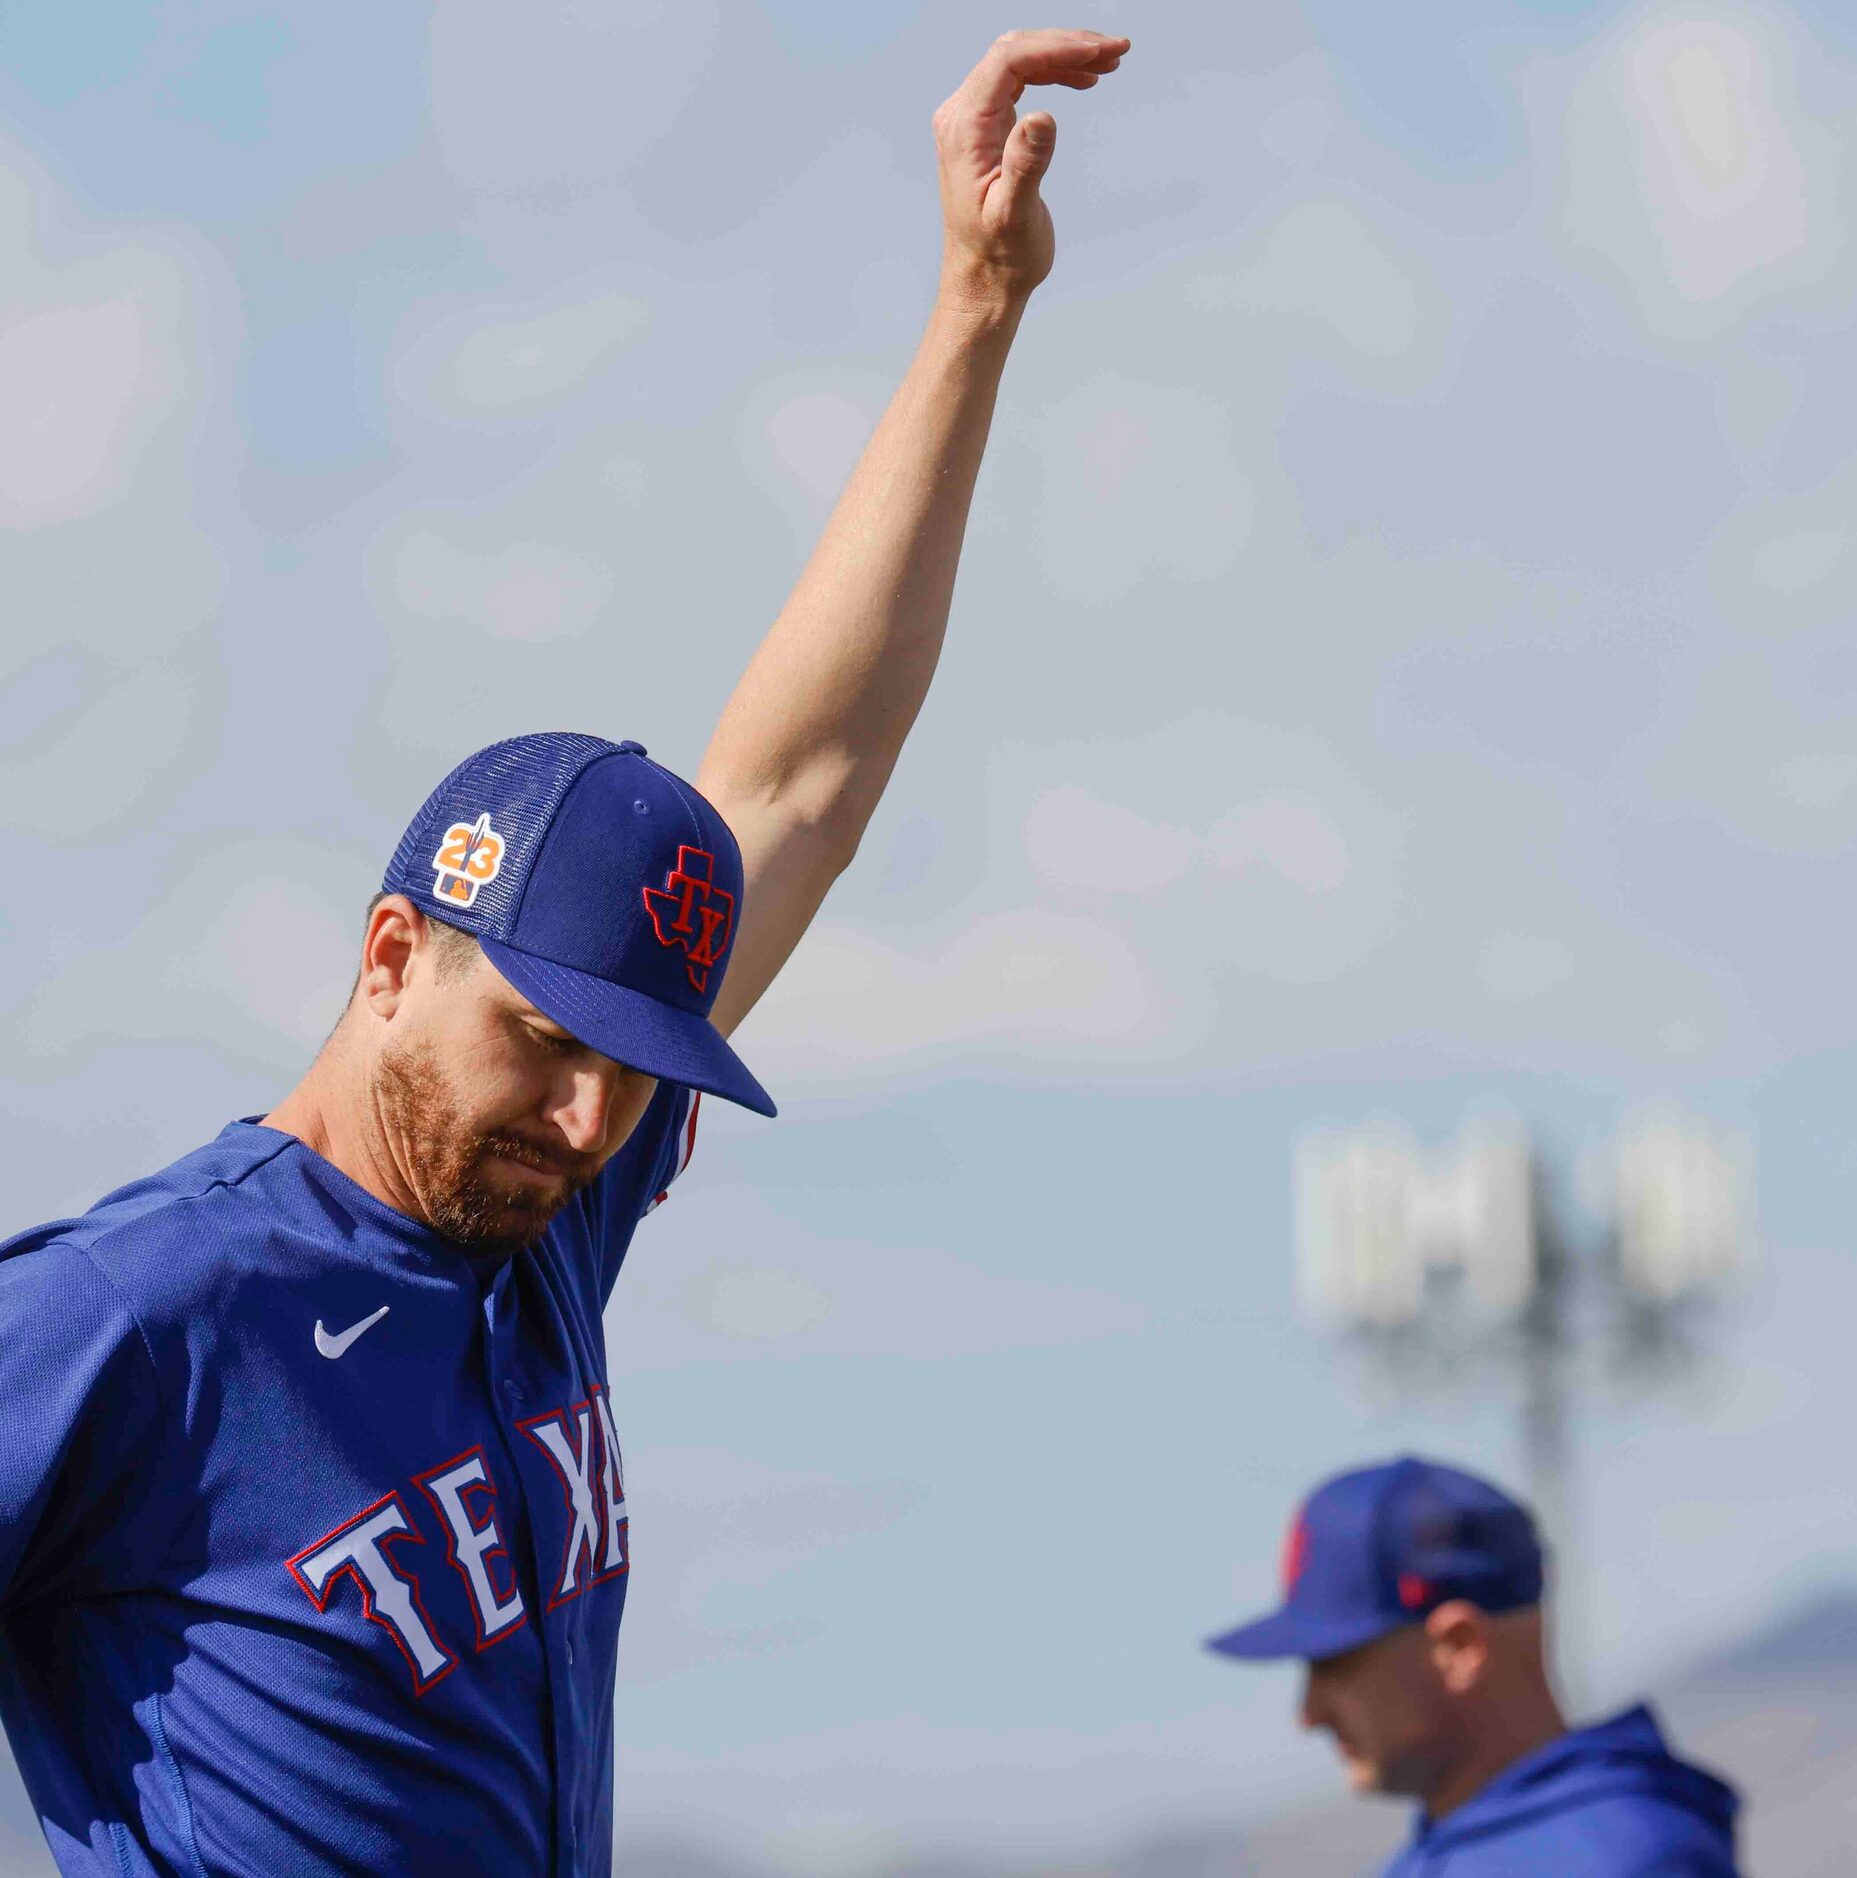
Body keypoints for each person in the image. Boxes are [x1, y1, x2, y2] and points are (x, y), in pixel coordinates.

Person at [0, 28, 1128, 1876]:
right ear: (389, 955)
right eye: (544, 1035)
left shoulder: (541, 1221)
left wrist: (976, 311)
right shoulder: (143, 1314)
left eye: (637, 1066)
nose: (594, 1113)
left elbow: (807, 779)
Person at [1205, 1456, 1741, 1876]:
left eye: (1335, 1666)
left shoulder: (1621, 1858)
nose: (1309, 1714)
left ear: (1460, 1647)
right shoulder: (1446, 1854)